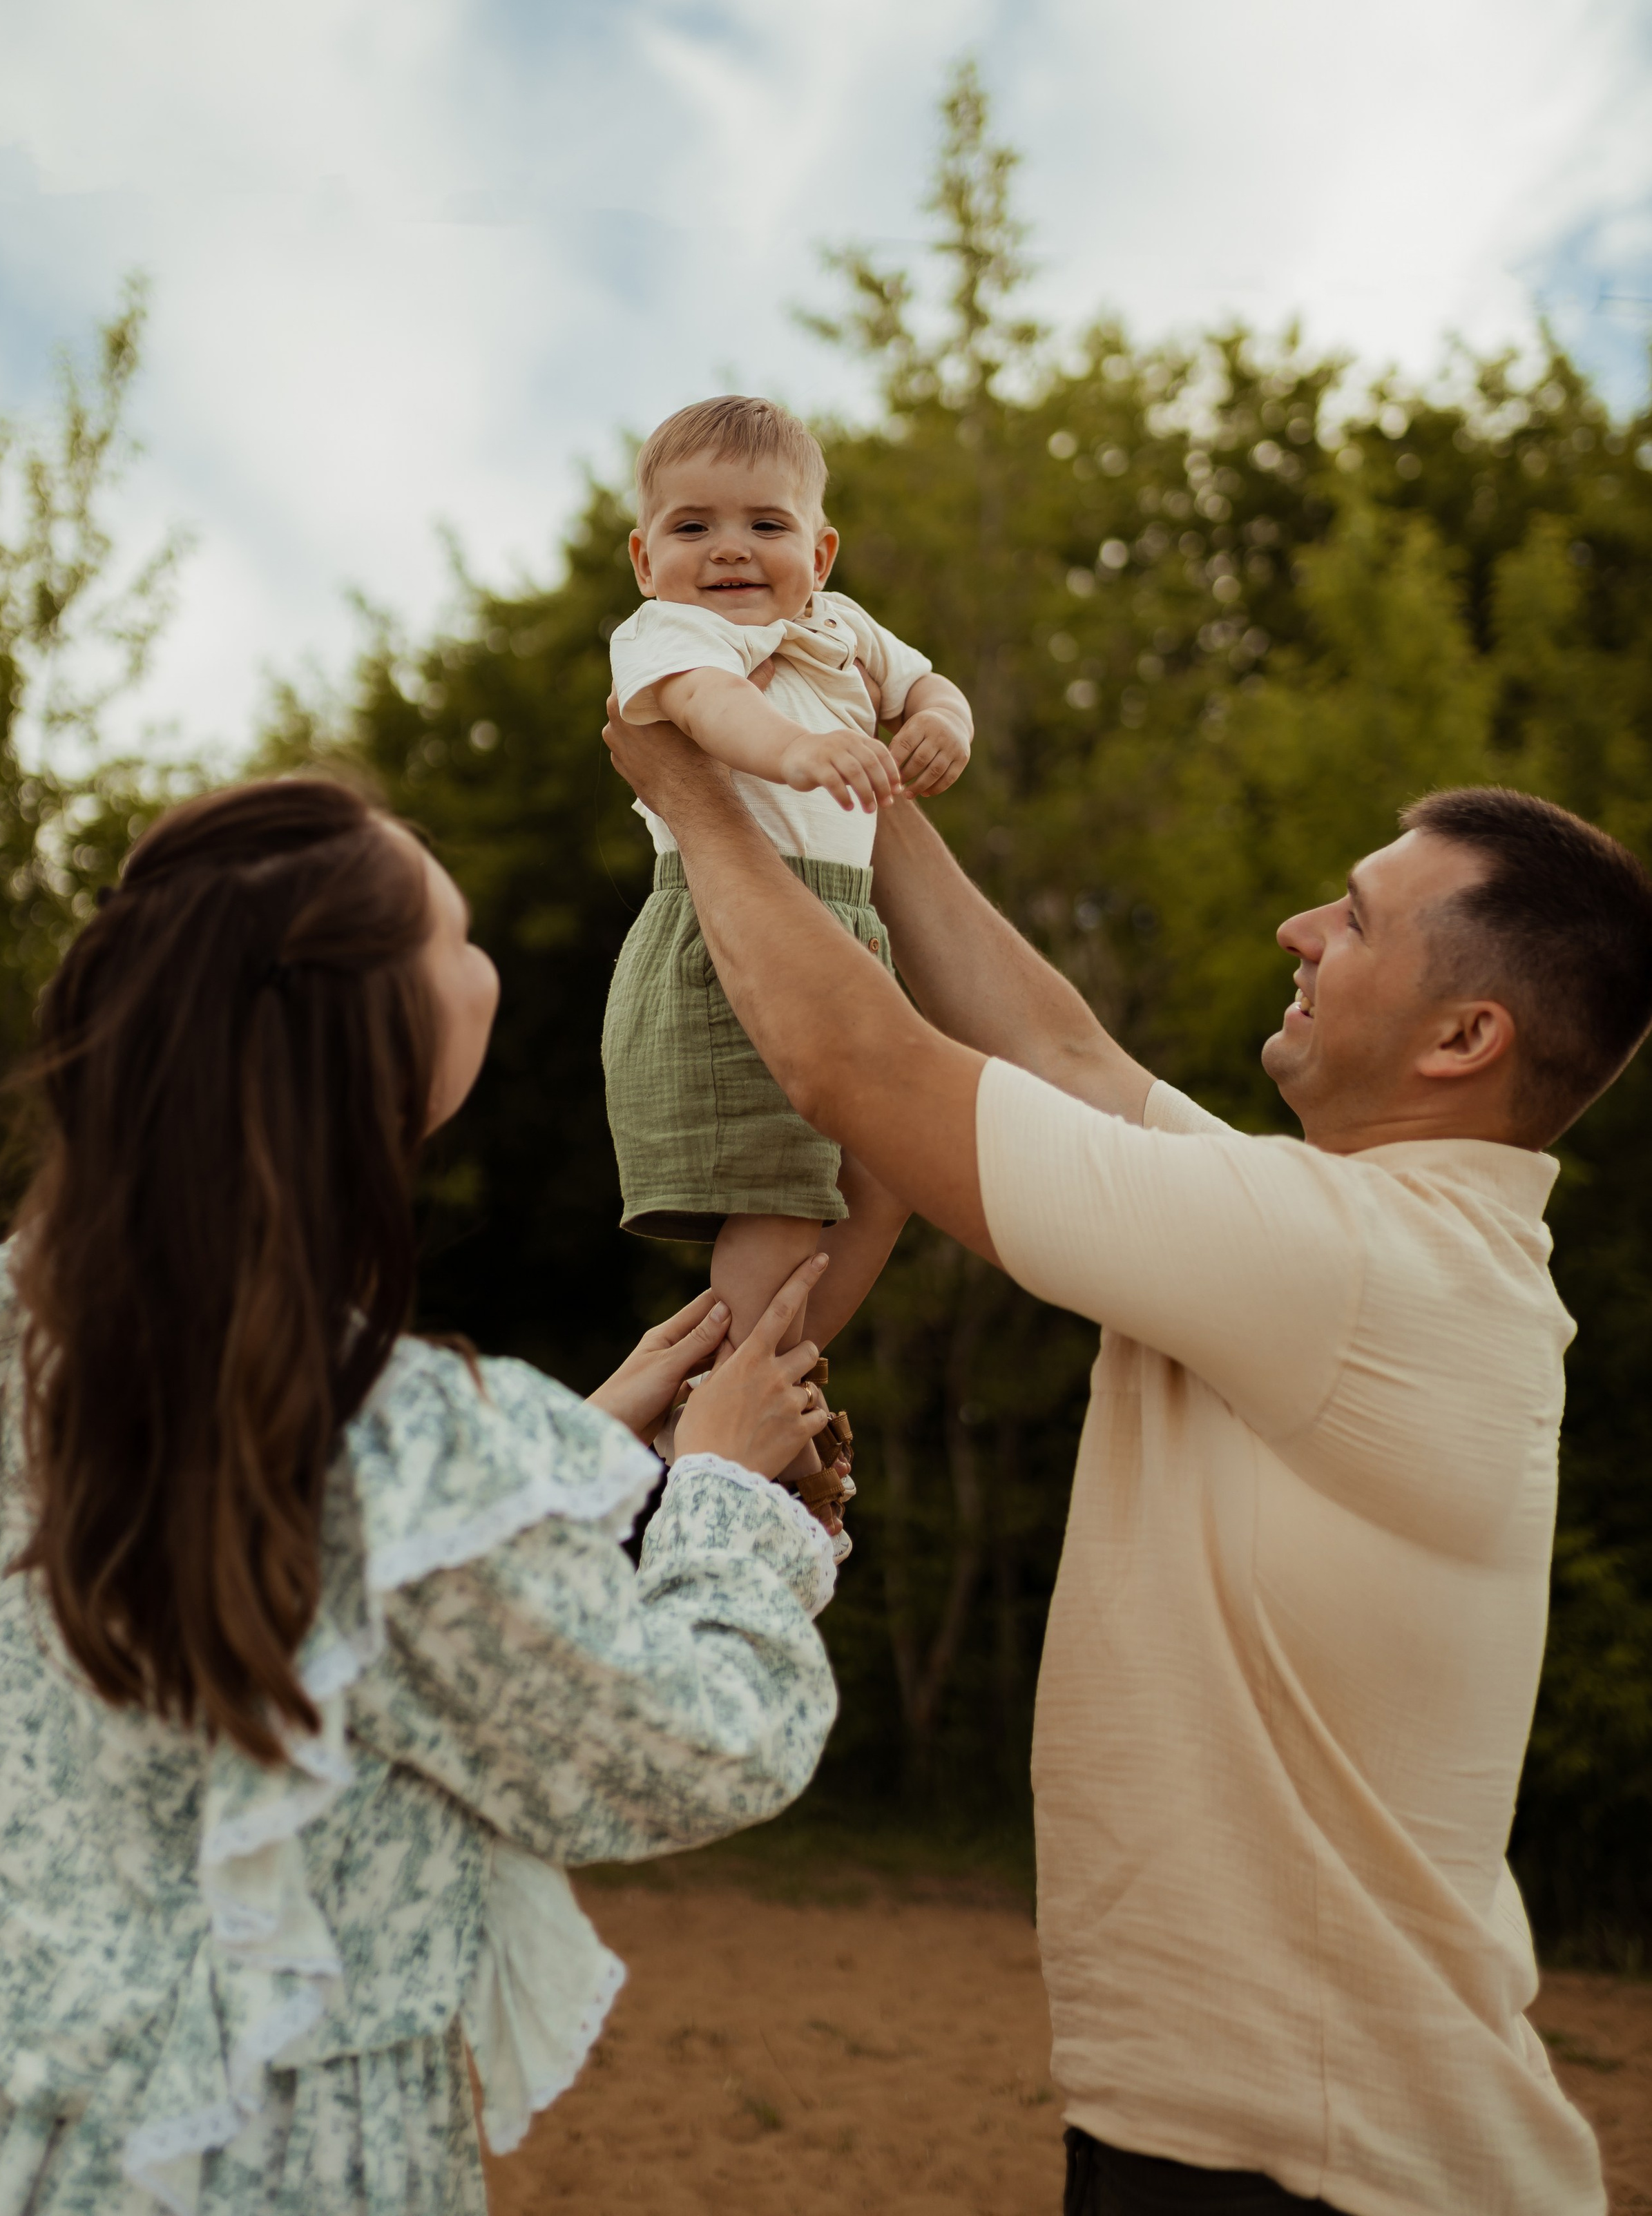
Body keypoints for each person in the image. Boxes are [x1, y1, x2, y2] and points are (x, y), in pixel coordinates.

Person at [603, 702, 1643, 2216]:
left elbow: (848, 1059)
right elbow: (1051, 1046)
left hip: (1312, 2165)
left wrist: (694, 791)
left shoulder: (1351, 1266)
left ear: (1462, 1039)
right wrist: (841, 759)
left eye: (1354, 920)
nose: (1300, 929)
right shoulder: (1365, 1243)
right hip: (1276, 2136)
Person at [0, 774, 845, 2216]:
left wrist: (574, 1451)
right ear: (368, 1035)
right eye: (454, 938)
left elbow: (338, 1563)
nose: (485, 966)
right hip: (259, 2165)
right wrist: (717, 1494)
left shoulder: (45, 1325)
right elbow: (700, 1747)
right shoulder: (382, 1437)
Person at [604, 394, 972, 1523]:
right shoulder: (673, 637)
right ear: (646, 559)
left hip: (843, 937)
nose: (729, 550)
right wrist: (800, 747)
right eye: (693, 526)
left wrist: (942, 723)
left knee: (894, 1171)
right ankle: (731, 1422)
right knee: (779, 1199)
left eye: (765, 525)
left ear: (820, 553)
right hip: (729, 945)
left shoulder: (843, 626)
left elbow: (928, 683)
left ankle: (742, 1390)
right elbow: (709, 710)